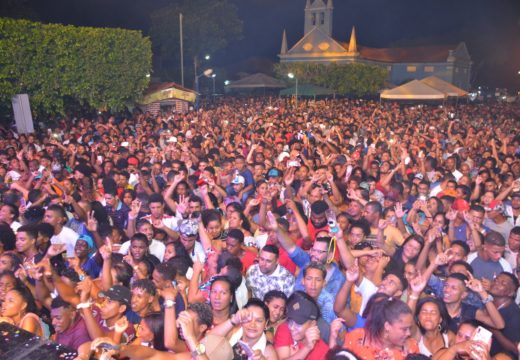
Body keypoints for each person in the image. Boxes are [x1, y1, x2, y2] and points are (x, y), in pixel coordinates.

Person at [342, 296, 419, 359]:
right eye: (404, 329)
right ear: (387, 326)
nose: (409, 333)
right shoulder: (356, 337)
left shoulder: (411, 348)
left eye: (409, 328)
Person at [209, 298, 278, 359]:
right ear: (242, 320)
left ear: (266, 324)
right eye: (248, 319)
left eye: (258, 321)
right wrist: (233, 320)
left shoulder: (269, 353)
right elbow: (209, 339)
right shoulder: (234, 332)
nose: (252, 325)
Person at [273, 291, 330, 360]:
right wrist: (306, 348)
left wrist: (306, 348)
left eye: (298, 323)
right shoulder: (285, 328)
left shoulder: (322, 351)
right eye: (290, 321)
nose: (292, 327)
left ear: (312, 324)